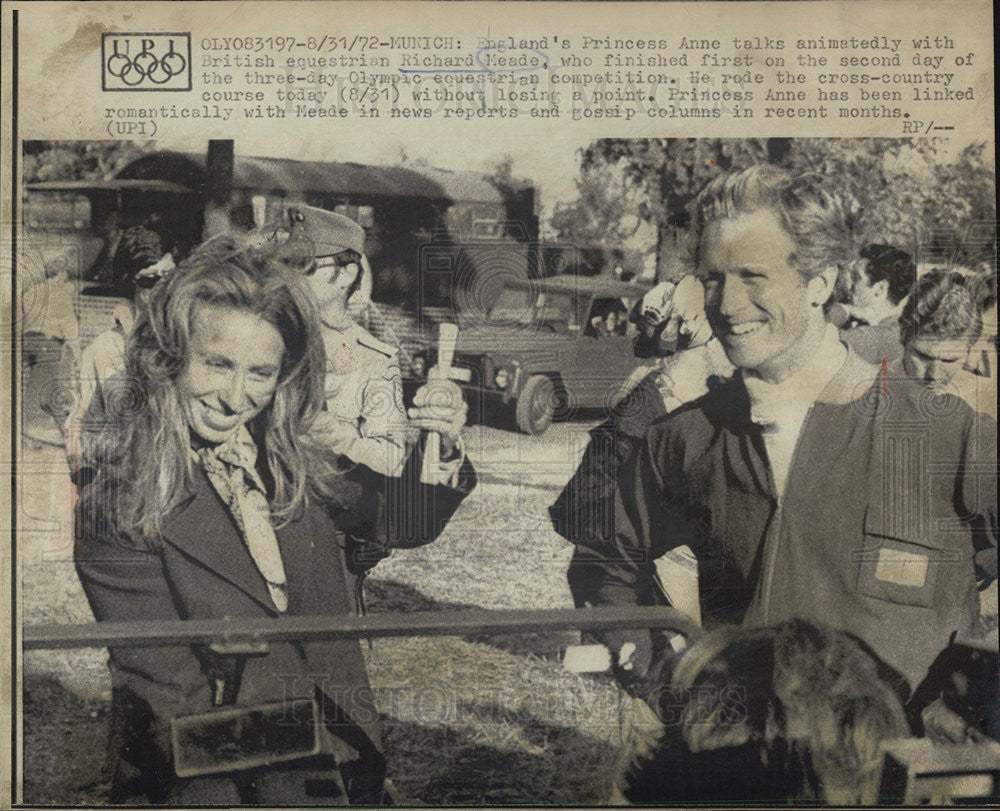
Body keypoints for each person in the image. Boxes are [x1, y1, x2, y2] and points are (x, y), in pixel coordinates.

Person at [581, 166, 996, 722]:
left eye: (753, 276)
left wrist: (966, 726)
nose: (726, 304)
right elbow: (606, 560)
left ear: (820, 283)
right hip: (747, 778)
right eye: (711, 279)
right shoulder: (684, 438)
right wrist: (663, 672)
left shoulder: (951, 434)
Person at [74, 247, 475, 804]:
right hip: (216, 784)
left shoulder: (296, 462)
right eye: (216, 364)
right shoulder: (119, 504)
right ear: (167, 357)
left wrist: (443, 444)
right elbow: (175, 703)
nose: (236, 398)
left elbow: (403, 522)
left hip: (341, 765)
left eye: (260, 372)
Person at [274, 205, 411, 476]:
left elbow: (393, 459)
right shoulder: (271, 337)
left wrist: (343, 439)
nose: (292, 277)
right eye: (287, 265)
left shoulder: (375, 359)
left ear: (346, 274)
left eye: (307, 266)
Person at [898, 267, 996, 419]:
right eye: (924, 356)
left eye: (949, 360)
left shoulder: (983, 410)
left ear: (969, 351)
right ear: (903, 336)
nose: (935, 375)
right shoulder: (867, 389)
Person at [840, 243, 916, 364]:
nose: (850, 286)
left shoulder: (870, 338)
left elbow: (812, 341)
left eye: (856, 278)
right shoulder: (903, 331)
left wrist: (843, 310)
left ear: (880, 289)